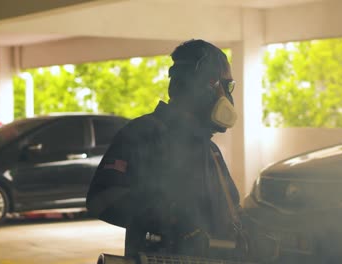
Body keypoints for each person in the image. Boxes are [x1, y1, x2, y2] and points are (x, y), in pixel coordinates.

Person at [86, 39, 248, 260]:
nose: (227, 97)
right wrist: (171, 220)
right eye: (226, 85)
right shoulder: (143, 134)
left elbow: (232, 211)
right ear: (205, 87)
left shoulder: (209, 149)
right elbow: (102, 198)